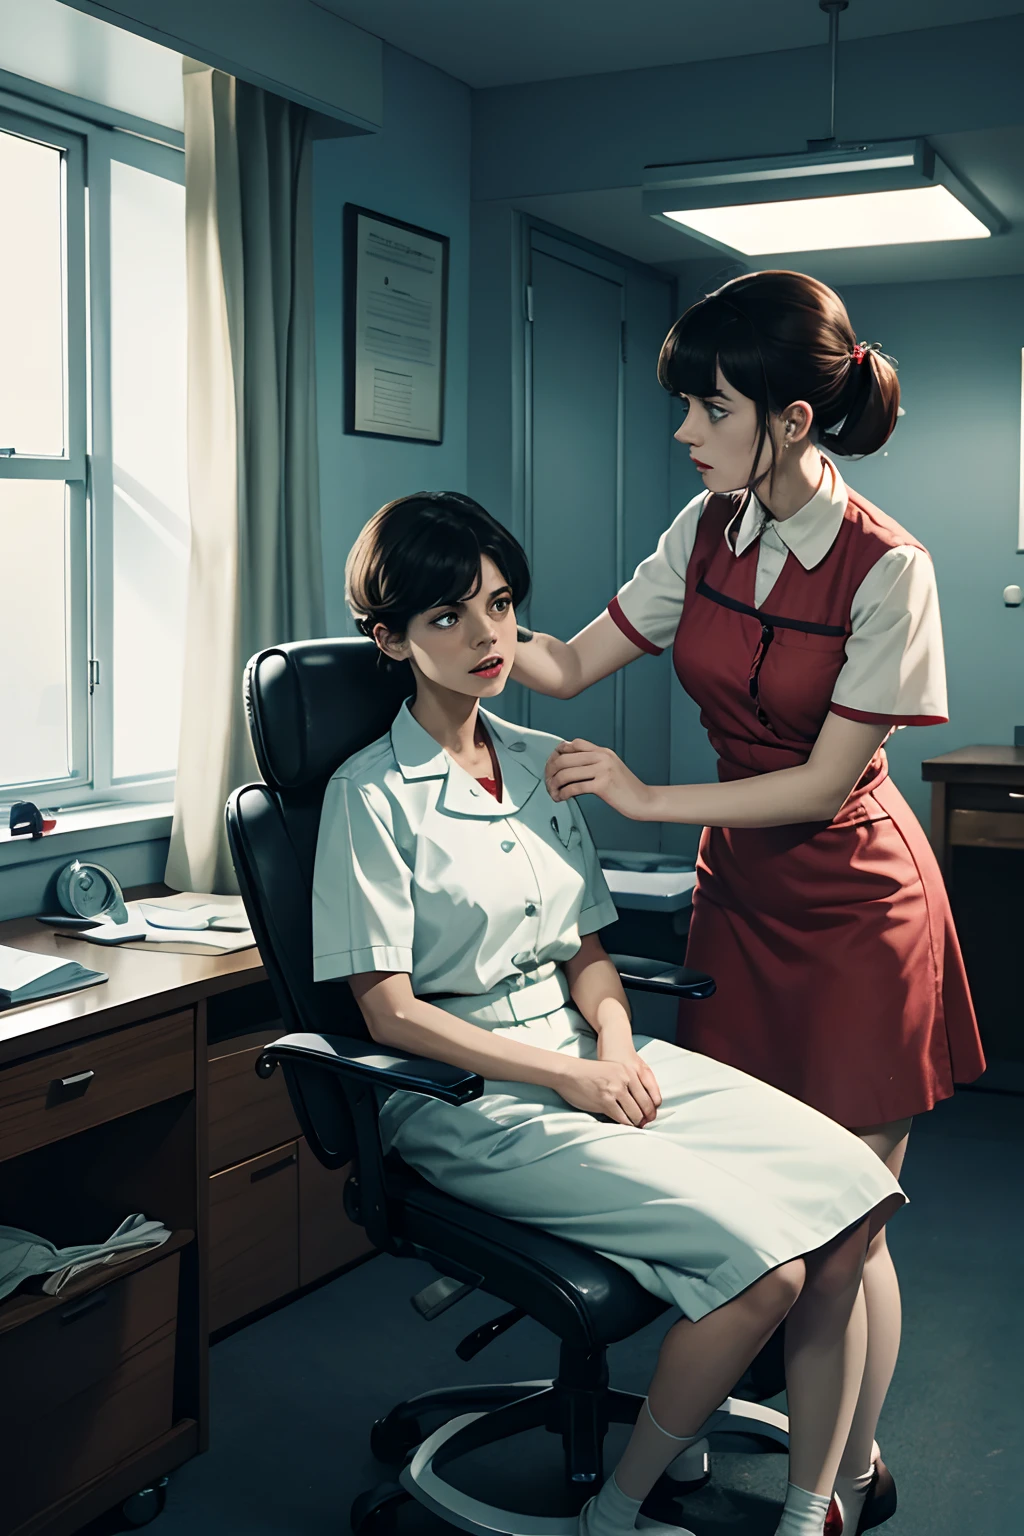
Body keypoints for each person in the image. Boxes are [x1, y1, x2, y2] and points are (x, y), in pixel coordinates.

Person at [312, 490, 906, 1536]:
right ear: (391, 639)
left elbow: (589, 951)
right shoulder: (368, 797)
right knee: (762, 1270)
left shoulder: (545, 762)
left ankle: (815, 1508)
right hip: (466, 1091)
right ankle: (617, 1510)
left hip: (596, 1047)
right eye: (447, 617)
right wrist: (571, 1078)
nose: (487, 635)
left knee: (856, 1196)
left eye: (499, 605)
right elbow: (390, 1014)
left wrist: (619, 1045)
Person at [509, 270, 986, 1533]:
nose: (680, 430)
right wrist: (464, 632)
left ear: (782, 419)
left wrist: (643, 799)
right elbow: (567, 666)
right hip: (742, 896)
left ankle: (824, 1494)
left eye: (700, 406)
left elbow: (828, 781)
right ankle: (763, 1444)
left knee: (843, 1233)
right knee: (740, 1211)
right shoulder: (703, 528)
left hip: (857, 914)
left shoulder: (890, 568)